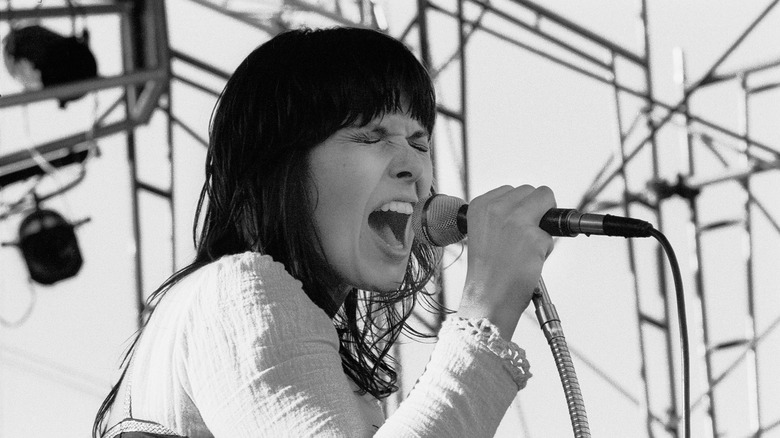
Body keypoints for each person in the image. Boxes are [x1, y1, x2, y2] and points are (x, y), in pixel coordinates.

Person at [94, 26, 555, 438]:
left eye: (419, 143)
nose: (414, 167)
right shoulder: (236, 290)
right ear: (279, 168)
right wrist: (487, 310)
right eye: (372, 136)